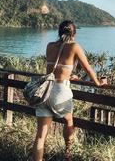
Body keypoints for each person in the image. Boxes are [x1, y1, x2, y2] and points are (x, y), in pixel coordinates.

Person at [32, 20, 107, 161]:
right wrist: (98, 83)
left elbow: (55, 66)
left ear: (59, 32)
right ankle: (68, 154)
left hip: (45, 91)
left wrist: (69, 74)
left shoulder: (50, 46)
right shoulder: (75, 47)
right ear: (74, 33)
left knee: (40, 136)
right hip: (60, 90)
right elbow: (89, 69)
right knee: (68, 121)